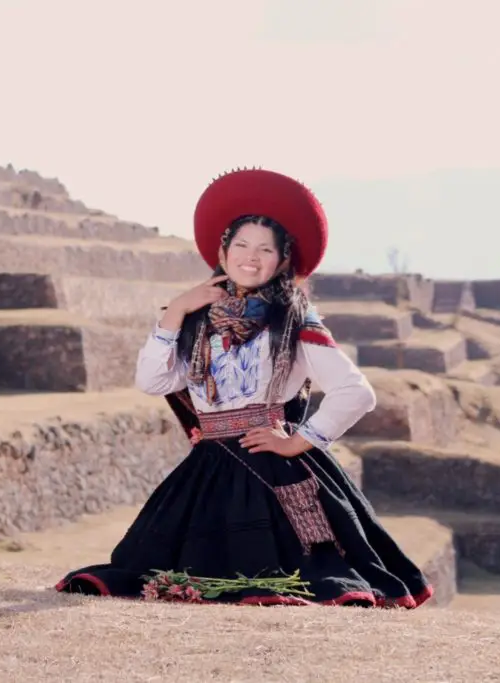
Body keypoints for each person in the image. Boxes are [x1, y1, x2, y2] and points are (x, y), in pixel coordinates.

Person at [55, 167, 433, 608]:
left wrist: (298, 443)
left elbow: (356, 391)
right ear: (223, 250)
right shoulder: (196, 322)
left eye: (265, 250)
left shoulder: (296, 320)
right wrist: (175, 311)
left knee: (293, 572)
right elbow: (153, 380)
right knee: (164, 572)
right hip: (209, 469)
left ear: (284, 260)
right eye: (242, 245)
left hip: (274, 466)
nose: (251, 258)